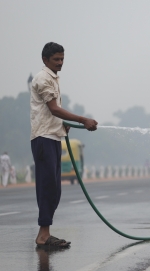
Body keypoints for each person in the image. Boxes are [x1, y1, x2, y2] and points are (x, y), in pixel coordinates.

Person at [30, 42, 98, 248]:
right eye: (56, 59)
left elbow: (53, 112)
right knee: (47, 187)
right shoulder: (43, 79)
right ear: (45, 60)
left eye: (62, 59)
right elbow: (54, 109)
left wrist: (63, 125)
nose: (60, 63)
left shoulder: (53, 78)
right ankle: (43, 235)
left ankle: (45, 233)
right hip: (43, 138)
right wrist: (82, 120)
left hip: (54, 137)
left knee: (55, 190)